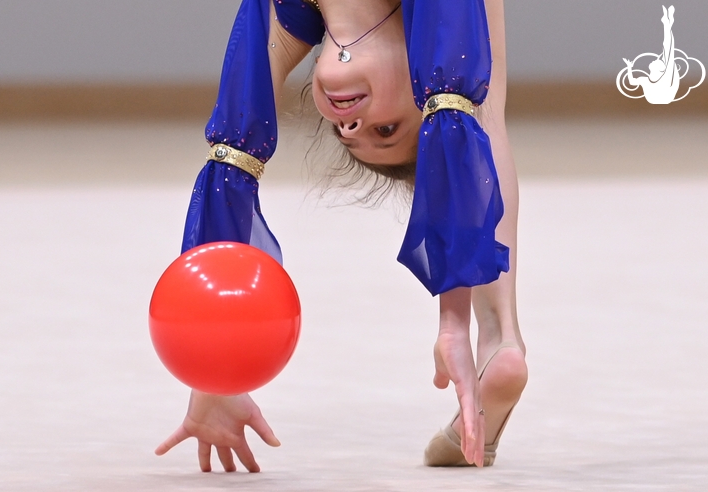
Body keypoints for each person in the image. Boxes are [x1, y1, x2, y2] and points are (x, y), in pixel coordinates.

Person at [154, 0, 527, 472]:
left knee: (475, 97)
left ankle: (500, 338)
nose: (348, 123)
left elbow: (232, 156)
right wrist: (454, 321)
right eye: (387, 130)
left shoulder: (285, 16)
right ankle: (499, 335)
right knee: (477, 99)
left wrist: (212, 376)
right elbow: (456, 108)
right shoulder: (443, 59)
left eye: (346, 134)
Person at [623, 6, 679, 104]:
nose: (655, 59)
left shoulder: (665, 77)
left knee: (668, 50)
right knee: (668, 51)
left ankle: (667, 24)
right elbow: (632, 82)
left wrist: (667, 26)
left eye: (657, 61)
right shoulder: (645, 80)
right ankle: (667, 24)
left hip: (663, 98)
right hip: (657, 99)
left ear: (659, 69)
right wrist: (629, 67)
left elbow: (668, 49)